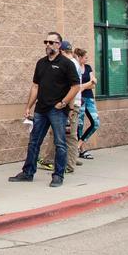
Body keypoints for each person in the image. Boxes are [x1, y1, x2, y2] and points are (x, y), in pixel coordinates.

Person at [9, 32, 81, 188]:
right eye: (46, 42)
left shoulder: (66, 63)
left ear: (59, 45)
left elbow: (76, 86)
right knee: (34, 142)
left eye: (51, 42)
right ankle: (28, 172)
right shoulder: (41, 63)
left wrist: (63, 102)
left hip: (57, 111)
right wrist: (28, 106)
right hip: (41, 109)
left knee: (60, 143)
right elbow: (36, 86)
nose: (47, 45)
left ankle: (58, 175)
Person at [40, 41, 81, 173]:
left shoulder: (69, 64)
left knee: (68, 136)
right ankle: (49, 160)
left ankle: (68, 165)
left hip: (70, 104)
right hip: (68, 104)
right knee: (58, 135)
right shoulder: (74, 62)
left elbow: (73, 87)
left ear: (61, 50)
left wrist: (68, 107)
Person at [74, 47, 100, 159]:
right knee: (79, 124)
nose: (87, 59)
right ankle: (81, 150)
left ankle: (78, 144)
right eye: (85, 57)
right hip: (79, 99)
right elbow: (78, 88)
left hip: (89, 98)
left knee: (96, 123)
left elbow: (94, 84)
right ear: (79, 58)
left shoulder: (88, 67)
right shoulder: (75, 68)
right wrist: (89, 83)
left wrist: (85, 85)